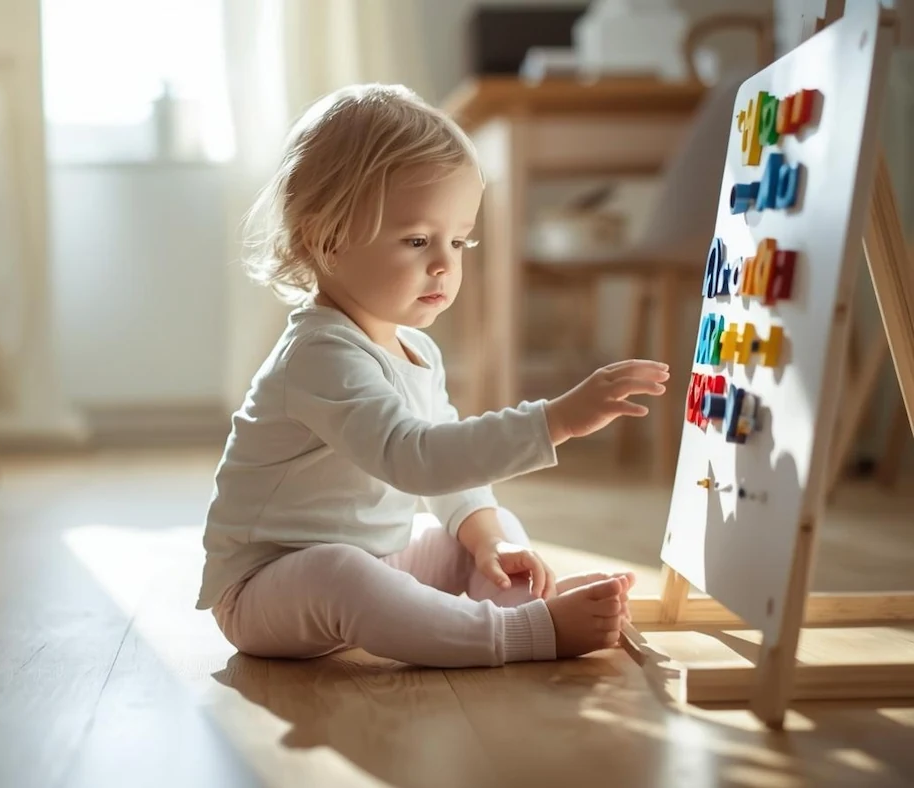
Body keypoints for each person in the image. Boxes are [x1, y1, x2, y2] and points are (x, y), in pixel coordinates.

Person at [196, 83, 670, 668]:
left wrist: (489, 540)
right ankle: (520, 633)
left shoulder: (416, 350)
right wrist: (554, 421)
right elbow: (416, 457)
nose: (445, 263)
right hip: (265, 590)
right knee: (340, 573)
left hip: (374, 557)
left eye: (460, 240)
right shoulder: (319, 356)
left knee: (484, 529)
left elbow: (446, 476)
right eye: (418, 240)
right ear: (328, 241)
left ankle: (505, 603)